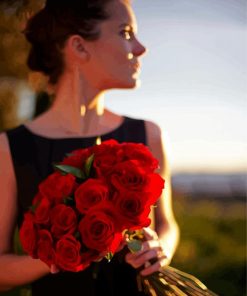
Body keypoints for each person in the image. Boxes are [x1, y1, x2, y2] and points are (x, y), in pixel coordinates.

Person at [0, 0, 180, 295]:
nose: (140, 48)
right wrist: (61, 252)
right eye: (125, 33)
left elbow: (168, 225)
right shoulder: (10, 148)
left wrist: (160, 248)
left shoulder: (148, 134)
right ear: (80, 47)